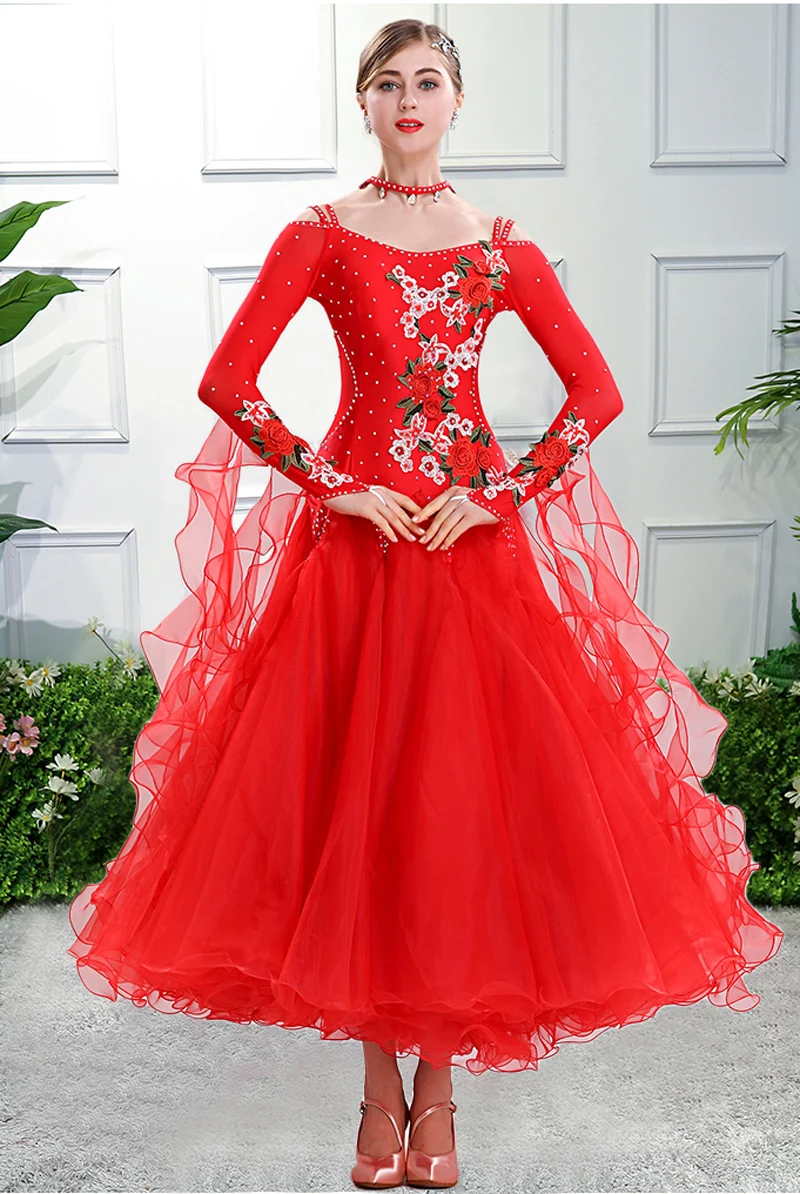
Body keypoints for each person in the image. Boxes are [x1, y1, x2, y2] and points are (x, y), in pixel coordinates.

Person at [66, 18, 784, 1192]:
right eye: (388, 82)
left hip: (464, 559)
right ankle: (375, 1090)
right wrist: (331, 487)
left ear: (457, 102)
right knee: (357, 815)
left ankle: (438, 1088)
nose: (408, 99)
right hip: (354, 560)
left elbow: (594, 392)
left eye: (429, 81)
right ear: (362, 103)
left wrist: (495, 496)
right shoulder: (319, 232)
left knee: (449, 815)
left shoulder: (498, 247)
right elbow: (226, 381)